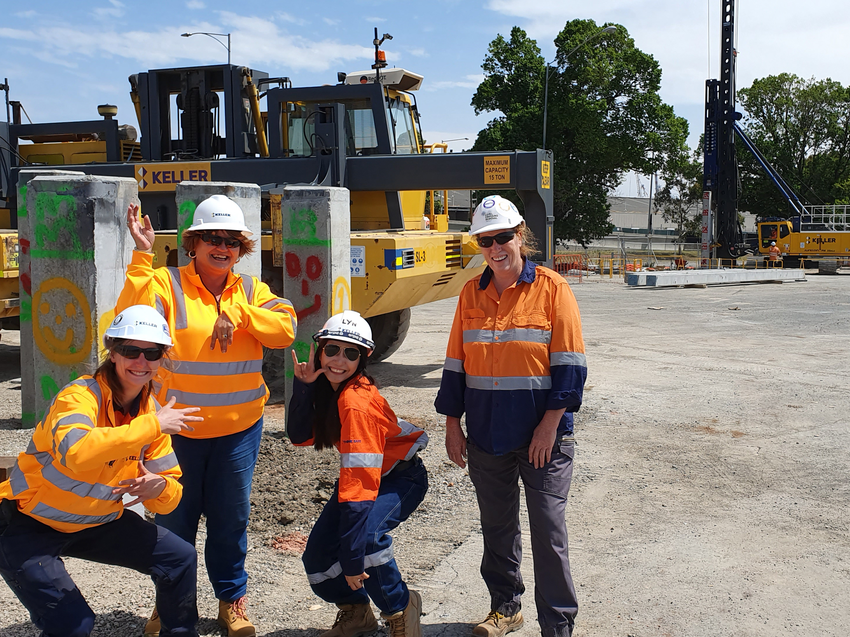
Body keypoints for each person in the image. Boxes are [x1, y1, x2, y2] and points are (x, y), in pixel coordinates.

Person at [119, 195, 298, 637]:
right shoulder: (167, 282)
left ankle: (231, 602)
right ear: (193, 243)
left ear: (242, 249)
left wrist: (236, 312)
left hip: (238, 432)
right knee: (173, 520)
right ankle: (170, 605)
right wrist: (142, 253)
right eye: (212, 239)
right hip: (174, 432)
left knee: (229, 520)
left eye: (232, 241)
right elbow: (132, 315)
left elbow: (286, 329)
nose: (223, 248)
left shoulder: (252, 291)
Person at [435, 195, 587, 637]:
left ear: (520, 236)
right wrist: (452, 424)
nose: (496, 247)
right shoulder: (471, 293)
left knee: (548, 533)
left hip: (543, 439)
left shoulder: (553, 288)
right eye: (486, 240)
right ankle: (506, 607)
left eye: (503, 237)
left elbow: (571, 365)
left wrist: (549, 426)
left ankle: (557, 626)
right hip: (486, 435)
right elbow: (455, 364)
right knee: (497, 528)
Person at [0, 304, 203, 637]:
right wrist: (152, 425)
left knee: (179, 558)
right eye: (130, 350)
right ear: (113, 352)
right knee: (74, 624)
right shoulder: (79, 397)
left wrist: (158, 489)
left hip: (96, 521)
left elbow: (169, 496)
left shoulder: (150, 411)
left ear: (162, 357)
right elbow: (77, 452)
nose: (141, 361)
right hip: (28, 522)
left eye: (151, 352)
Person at [287, 311, 429, 637]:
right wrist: (304, 386)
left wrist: (353, 562)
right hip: (368, 476)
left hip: (400, 477)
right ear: (319, 350)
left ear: (363, 358)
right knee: (319, 558)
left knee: (364, 543)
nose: (340, 360)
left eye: (351, 353)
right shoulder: (328, 386)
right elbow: (299, 436)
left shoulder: (356, 402)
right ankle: (356, 611)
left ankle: (401, 608)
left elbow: (360, 486)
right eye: (332, 350)